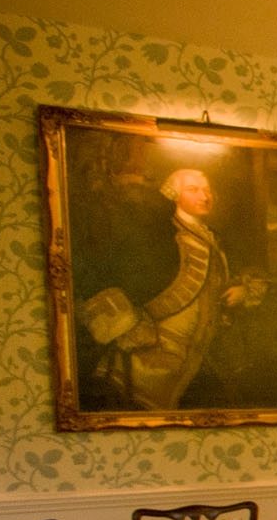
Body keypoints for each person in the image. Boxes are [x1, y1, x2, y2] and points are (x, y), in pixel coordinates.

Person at [80, 167, 264, 409]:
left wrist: (240, 290)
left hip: (200, 354)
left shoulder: (214, 238)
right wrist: (129, 326)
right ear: (173, 194)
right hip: (150, 352)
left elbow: (229, 281)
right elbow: (110, 277)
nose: (204, 196)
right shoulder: (158, 235)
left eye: (207, 190)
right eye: (193, 190)